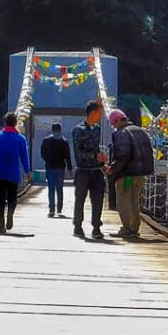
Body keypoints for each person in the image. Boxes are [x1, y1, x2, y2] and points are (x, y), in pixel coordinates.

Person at [106, 108, 155, 239]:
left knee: (124, 201)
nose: (113, 127)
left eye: (113, 124)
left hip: (126, 174)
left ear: (117, 120)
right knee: (135, 201)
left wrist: (113, 168)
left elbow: (123, 155)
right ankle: (134, 228)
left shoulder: (121, 133)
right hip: (140, 174)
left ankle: (126, 228)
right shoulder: (141, 131)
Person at [0, 112, 30, 234]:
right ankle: (10, 213)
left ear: (4, 122)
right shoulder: (21, 138)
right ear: (16, 123)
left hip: (0, 172)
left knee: (0, 198)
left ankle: (1, 224)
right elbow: (24, 157)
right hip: (13, 173)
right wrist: (27, 172)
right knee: (12, 197)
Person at [71, 99, 107, 240]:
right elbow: (78, 153)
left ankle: (96, 227)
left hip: (96, 171)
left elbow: (96, 149)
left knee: (98, 200)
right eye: (99, 113)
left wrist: (103, 163)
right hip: (83, 171)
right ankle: (78, 226)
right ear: (93, 113)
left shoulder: (98, 129)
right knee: (80, 199)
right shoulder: (78, 130)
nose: (100, 116)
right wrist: (96, 156)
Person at [40, 123, 72, 218]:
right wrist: (70, 169)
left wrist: (47, 160)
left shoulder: (46, 141)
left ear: (52, 130)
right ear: (60, 130)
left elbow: (42, 153)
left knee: (51, 189)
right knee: (59, 188)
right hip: (60, 168)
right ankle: (59, 209)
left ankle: (51, 209)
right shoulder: (64, 141)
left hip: (49, 167)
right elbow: (68, 156)